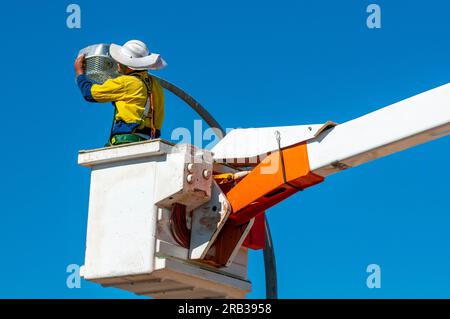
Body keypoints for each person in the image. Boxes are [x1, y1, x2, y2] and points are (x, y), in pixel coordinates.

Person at [74, 40, 167, 145]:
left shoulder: (125, 82)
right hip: (149, 141)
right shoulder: (156, 85)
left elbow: (89, 94)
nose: (118, 64)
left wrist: (79, 73)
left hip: (127, 139)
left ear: (127, 65)